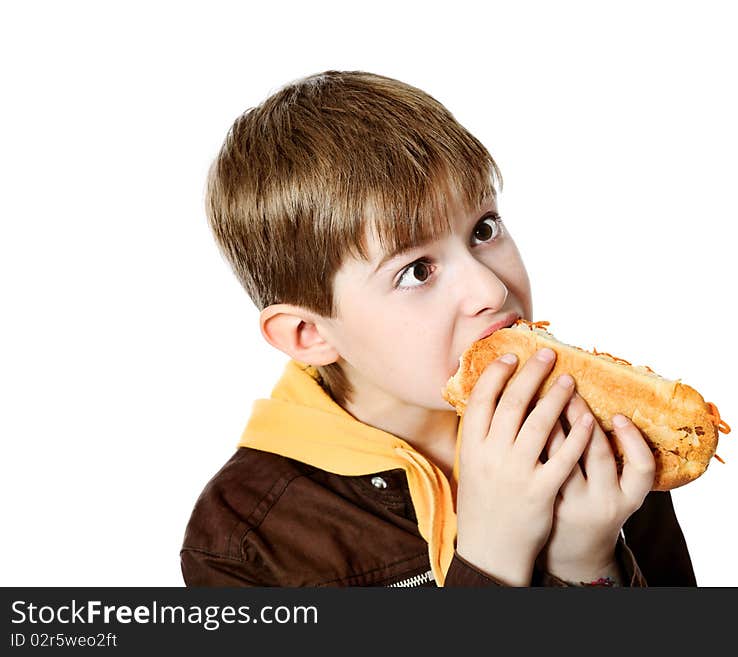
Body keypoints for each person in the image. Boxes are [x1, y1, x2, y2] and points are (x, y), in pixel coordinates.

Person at [180, 70, 696, 587]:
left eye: (483, 230)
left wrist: (586, 563)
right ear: (309, 335)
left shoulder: (600, 435)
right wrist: (493, 558)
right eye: (417, 271)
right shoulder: (243, 541)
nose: (491, 290)